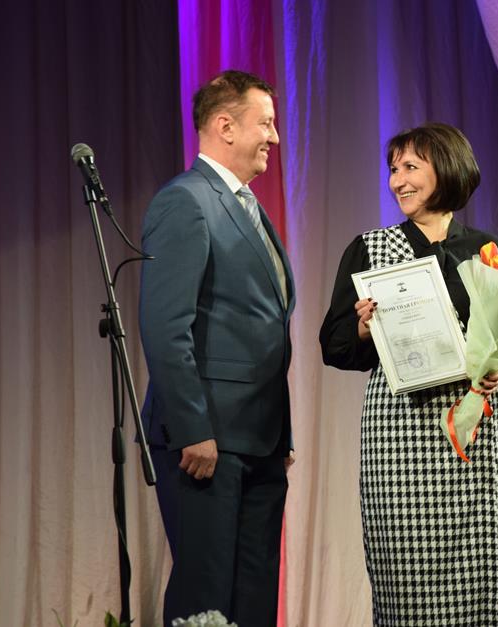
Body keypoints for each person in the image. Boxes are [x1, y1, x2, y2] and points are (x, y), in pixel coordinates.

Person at [319, 122, 498, 625]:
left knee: (472, 594)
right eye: (393, 169)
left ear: (447, 170)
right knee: (406, 589)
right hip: (402, 437)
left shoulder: (488, 248)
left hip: (473, 435)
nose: (397, 180)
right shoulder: (370, 249)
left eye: (410, 167)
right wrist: (364, 328)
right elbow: (334, 346)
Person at [139, 69, 294, 627]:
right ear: (226, 126)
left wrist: (281, 433)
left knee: (254, 597)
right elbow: (165, 327)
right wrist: (192, 428)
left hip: (258, 439)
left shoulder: (247, 206)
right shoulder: (186, 201)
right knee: (205, 596)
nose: (275, 137)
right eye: (265, 123)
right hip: (206, 441)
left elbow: (260, 327)